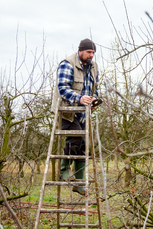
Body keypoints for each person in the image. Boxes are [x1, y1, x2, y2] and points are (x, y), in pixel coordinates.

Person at [51, 38, 99, 195]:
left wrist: (93, 99)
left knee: (83, 147)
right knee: (75, 139)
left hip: (82, 113)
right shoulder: (67, 64)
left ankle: (78, 184)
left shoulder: (94, 67)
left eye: (93, 52)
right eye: (88, 52)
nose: (91, 55)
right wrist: (79, 98)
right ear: (80, 51)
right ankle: (63, 171)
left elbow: (94, 89)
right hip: (67, 111)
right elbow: (62, 88)